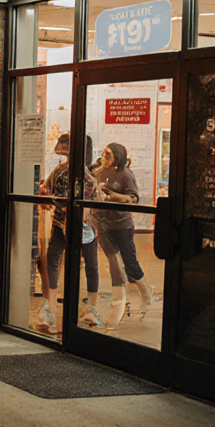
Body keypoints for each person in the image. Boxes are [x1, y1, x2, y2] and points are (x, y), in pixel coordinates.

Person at [36, 134, 101, 334]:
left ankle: (51, 309)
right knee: (91, 265)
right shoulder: (90, 176)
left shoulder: (60, 171)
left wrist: (51, 201)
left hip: (60, 222)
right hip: (85, 225)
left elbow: (45, 193)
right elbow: (96, 202)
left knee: (53, 261)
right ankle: (91, 307)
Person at [90, 142, 153, 330]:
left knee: (130, 263)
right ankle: (119, 303)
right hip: (102, 224)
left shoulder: (125, 175)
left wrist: (112, 195)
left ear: (118, 157)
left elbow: (133, 198)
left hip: (121, 225)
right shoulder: (99, 171)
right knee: (113, 263)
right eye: (103, 154)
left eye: (108, 155)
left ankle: (145, 292)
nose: (104, 159)